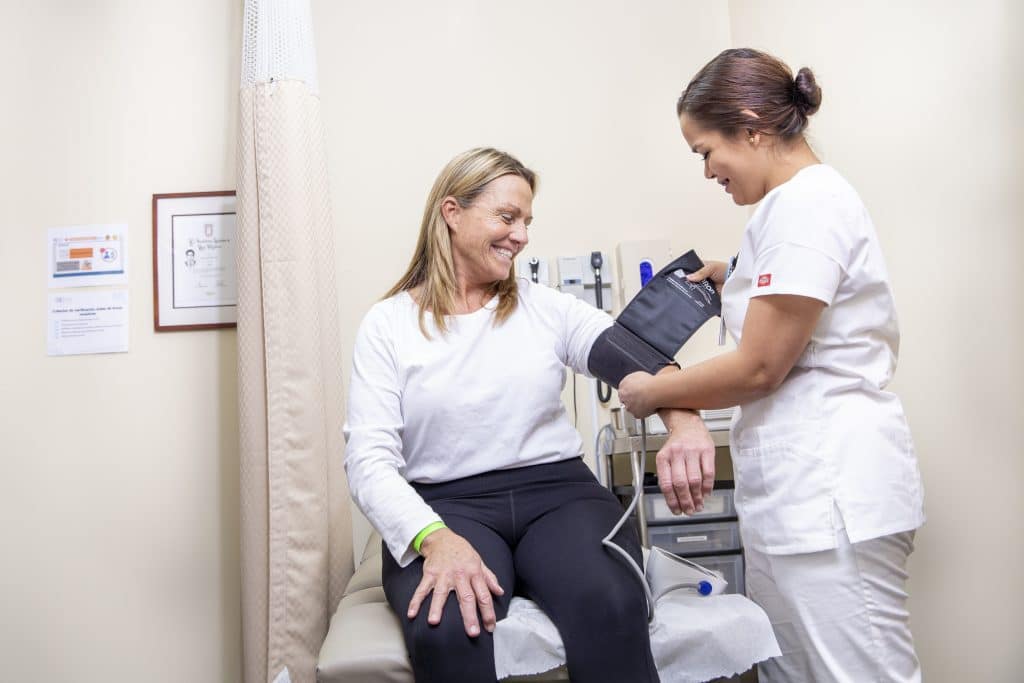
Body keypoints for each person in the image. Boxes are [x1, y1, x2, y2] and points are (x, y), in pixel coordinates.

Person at [343, 147, 711, 683]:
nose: (521, 236)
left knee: (610, 603)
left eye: (527, 222)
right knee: (448, 624)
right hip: (447, 505)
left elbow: (634, 361)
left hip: (559, 497)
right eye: (507, 217)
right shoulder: (389, 324)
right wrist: (434, 538)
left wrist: (685, 421)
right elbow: (368, 460)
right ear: (452, 212)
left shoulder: (546, 307)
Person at [618, 48, 926, 682]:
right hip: (801, 504)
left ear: (753, 126)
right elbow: (805, 295)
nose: (707, 171)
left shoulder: (807, 206)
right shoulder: (792, 211)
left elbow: (760, 367)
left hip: (830, 500)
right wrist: (731, 277)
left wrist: (658, 391)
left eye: (706, 151)